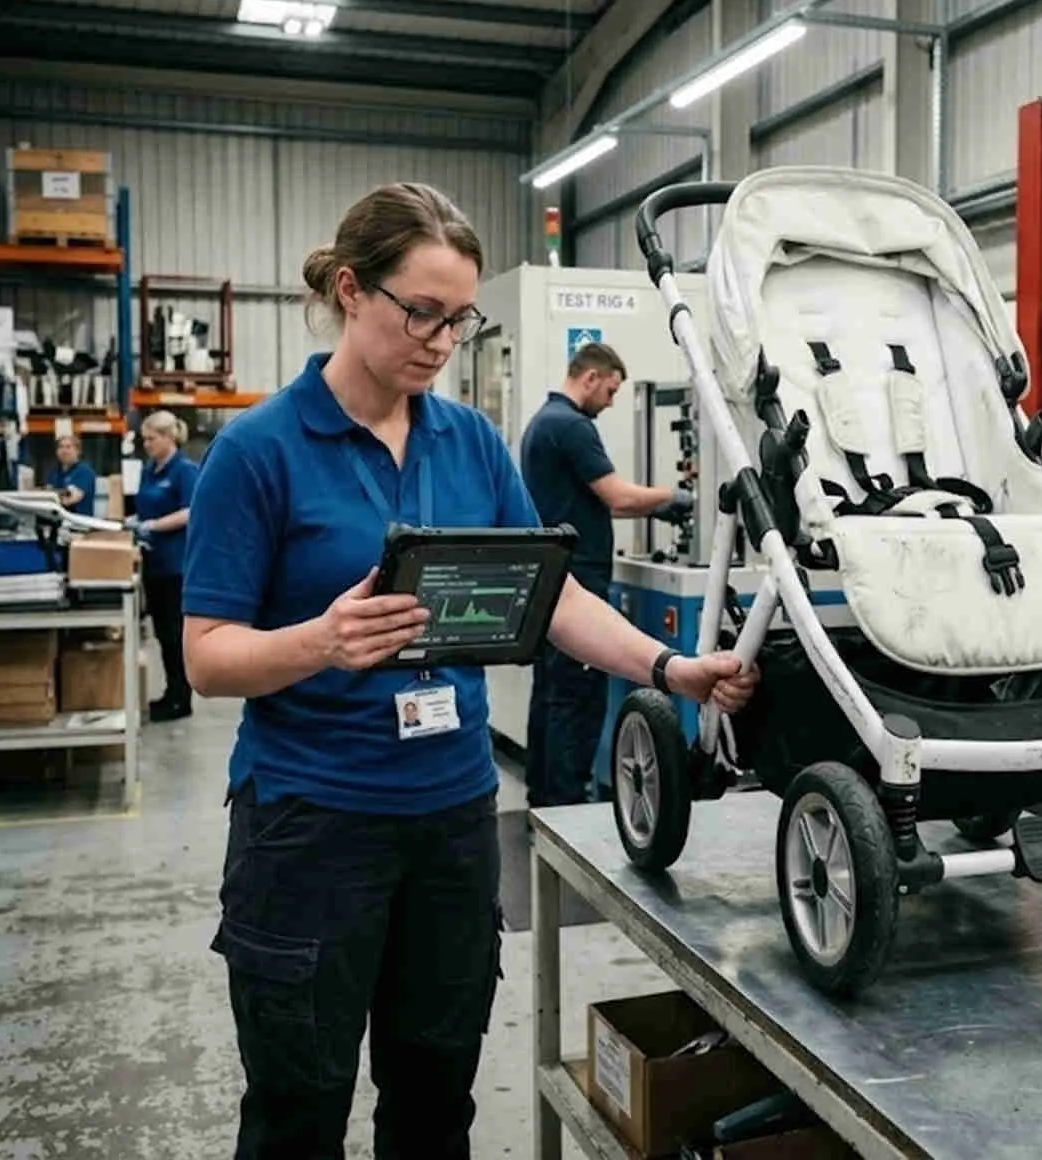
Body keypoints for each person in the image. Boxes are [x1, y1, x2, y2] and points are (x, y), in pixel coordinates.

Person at [179, 182, 757, 1160]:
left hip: (451, 827)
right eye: (422, 313)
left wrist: (668, 667)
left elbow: (555, 598)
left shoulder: (468, 441)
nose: (443, 342)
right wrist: (320, 639)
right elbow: (205, 655)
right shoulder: (259, 451)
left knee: (435, 1106)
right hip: (312, 833)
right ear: (353, 291)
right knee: (297, 1114)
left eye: (460, 319)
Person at [518, 341, 692, 807]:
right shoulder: (571, 426)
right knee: (575, 699)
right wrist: (674, 498)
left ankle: (545, 797)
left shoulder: (543, 423)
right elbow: (617, 497)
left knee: (552, 696)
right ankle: (567, 807)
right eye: (611, 390)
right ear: (590, 377)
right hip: (577, 582)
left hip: (553, 576)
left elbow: (590, 502)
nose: (611, 401)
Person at [131, 410, 199, 723]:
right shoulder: (149, 470)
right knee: (161, 633)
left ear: (169, 437)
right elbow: (143, 505)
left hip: (175, 564)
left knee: (174, 634)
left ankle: (180, 698)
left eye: (151, 439)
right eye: (143, 439)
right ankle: (171, 691)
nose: (146, 444)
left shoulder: (184, 470)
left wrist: (155, 525)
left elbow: (191, 511)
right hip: (153, 562)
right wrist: (137, 523)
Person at [45, 433, 97, 515]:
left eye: (68, 447)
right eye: (60, 447)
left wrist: (55, 497)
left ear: (78, 451)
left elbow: (73, 498)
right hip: (57, 521)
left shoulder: (84, 471)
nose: (64, 451)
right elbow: (47, 495)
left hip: (78, 523)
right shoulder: (53, 472)